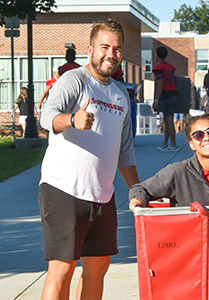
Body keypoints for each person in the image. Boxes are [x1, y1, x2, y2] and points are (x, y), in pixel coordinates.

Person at [38, 20, 140, 300]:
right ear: (90, 49)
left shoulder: (120, 94)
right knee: (62, 268)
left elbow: (125, 149)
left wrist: (137, 189)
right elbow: (47, 117)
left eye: (117, 49)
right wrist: (72, 119)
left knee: (98, 266)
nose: (111, 54)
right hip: (63, 190)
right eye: (104, 47)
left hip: (102, 196)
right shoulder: (74, 80)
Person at [152, 46, 179, 152]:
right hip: (173, 93)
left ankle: (173, 144)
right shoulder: (170, 67)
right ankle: (165, 143)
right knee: (167, 121)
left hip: (166, 95)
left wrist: (156, 99)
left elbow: (160, 83)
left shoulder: (160, 68)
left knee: (169, 121)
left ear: (157, 55)